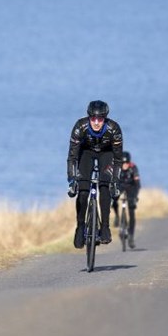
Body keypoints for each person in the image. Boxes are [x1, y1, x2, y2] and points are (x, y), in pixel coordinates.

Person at [67, 100, 124, 247]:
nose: (97, 122)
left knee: (105, 187)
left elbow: (118, 159)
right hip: (86, 153)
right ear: (89, 117)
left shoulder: (114, 129)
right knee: (84, 191)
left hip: (106, 153)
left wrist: (115, 181)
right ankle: (80, 227)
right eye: (93, 119)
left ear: (105, 119)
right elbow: (73, 157)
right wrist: (72, 180)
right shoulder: (80, 127)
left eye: (100, 119)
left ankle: (104, 226)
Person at [111, 150, 141, 248]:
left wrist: (135, 196)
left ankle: (131, 236)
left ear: (129, 162)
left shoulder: (133, 168)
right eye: (123, 163)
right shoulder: (117, 168)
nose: (124, 165)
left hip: (131, 187)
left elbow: (137, 184)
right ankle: (117, 216)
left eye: (126, 163)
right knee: (113, 198)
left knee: (132, 211)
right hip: (120, 186)